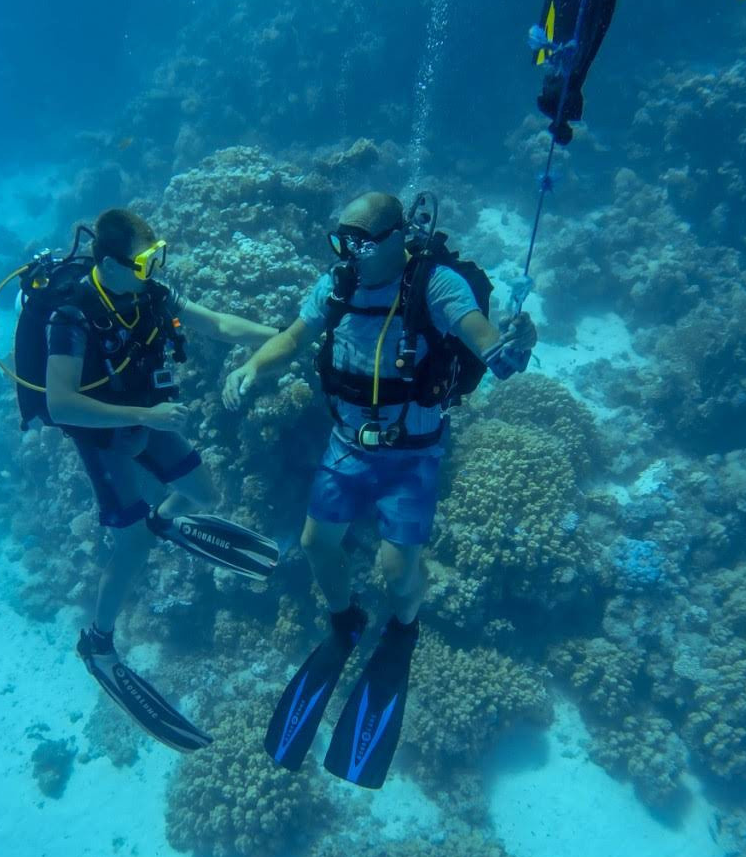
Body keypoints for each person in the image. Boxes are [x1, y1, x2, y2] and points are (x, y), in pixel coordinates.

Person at [222, 192, 537, 788]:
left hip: (412, 454)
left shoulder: (435, 286)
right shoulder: (338, 284)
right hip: (347, 443)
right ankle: (345, 621)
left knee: (398, 567)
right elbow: (292, 337)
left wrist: (511, 346)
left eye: (363, 243)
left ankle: (404, 627)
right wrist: (253, 367)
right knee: (317, 544)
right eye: (342, 242)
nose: (351, 255)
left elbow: (480, 336)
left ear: (398, 238)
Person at [40, 208, 279, 751]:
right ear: (110, 263)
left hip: (148, 418)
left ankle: (164, 522)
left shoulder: (151, 295)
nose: (153, 268)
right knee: (130, 546)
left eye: (157, 256)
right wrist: (144, 418)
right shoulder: (72, 317)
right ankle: (98, 644)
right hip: (104, 435)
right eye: (143, 260)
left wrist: (293, 337)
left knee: (204, 494)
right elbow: (60, 403)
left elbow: (218, 324)